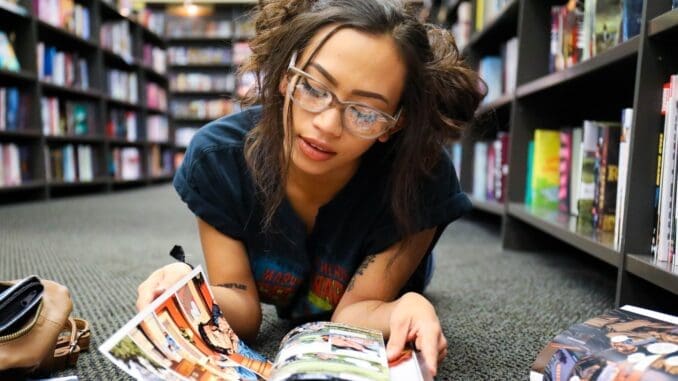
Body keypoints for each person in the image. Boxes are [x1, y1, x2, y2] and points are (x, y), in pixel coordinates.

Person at [136, 0, 482, 376]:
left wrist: (405, 307)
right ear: (286, 76)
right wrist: (188, 293)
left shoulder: (422, 178)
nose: (328, 125)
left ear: (394, 124)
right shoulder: (219, 160)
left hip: (374, 279)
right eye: (314, 88)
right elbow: (241, 307)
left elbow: (352, 314)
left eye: (365, 112)